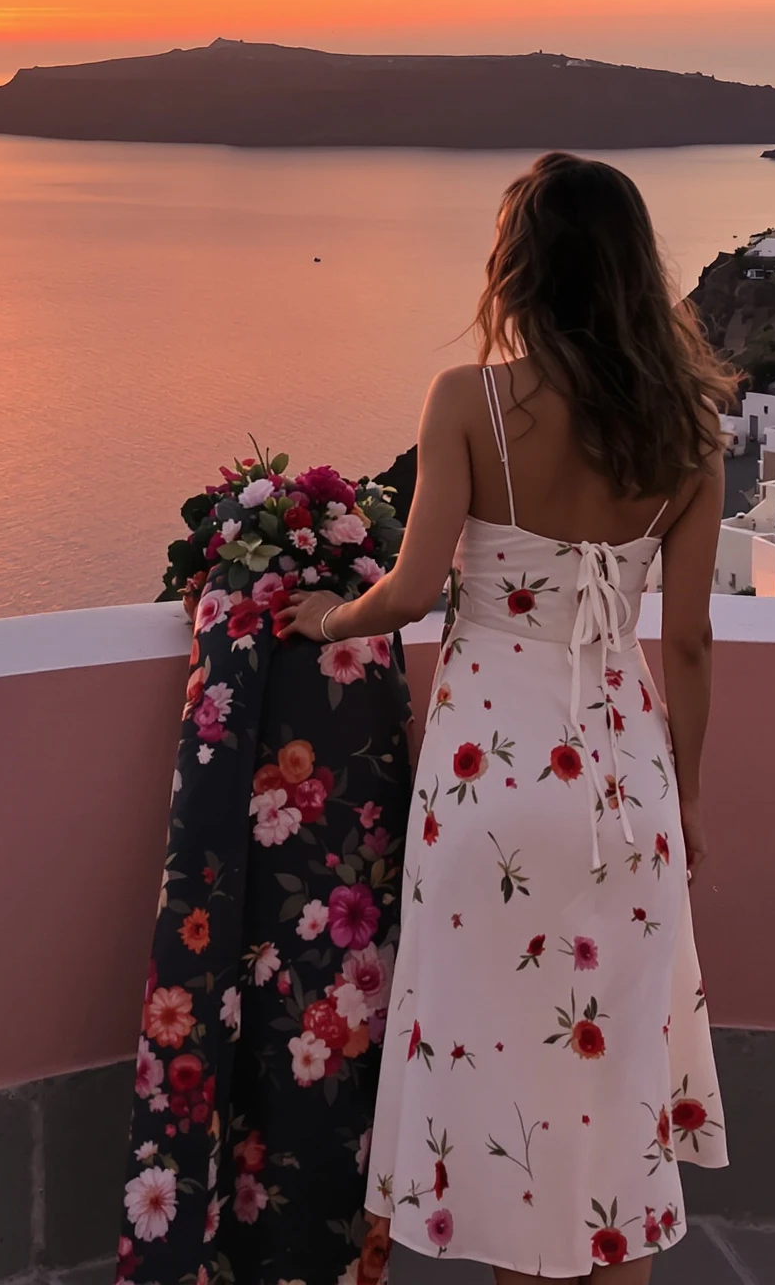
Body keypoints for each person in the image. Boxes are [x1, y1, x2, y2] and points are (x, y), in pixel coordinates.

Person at [280, 152, 733, 1280]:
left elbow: (416, 586)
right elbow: (686, 640)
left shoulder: (467, 402)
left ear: (519, 266)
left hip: (490, 786)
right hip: (626, 794)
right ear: (635, 270)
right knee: (607, 1110)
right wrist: (686, 795)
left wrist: (329, 618)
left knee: (509, 1109)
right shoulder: (690, 433)